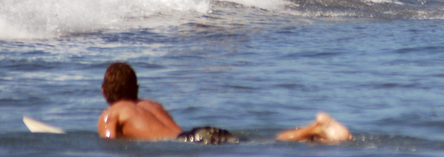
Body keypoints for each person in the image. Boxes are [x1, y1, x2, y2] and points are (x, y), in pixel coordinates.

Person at [97, 62, 352, 144]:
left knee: (264, 145)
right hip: (198, 133)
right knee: (261, 144)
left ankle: (318, 128)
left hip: (190, 144)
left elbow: (109, 145)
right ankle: (318, 132)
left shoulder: (112, 114)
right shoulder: (152, 104)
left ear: (104, 91)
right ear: (137, 89)